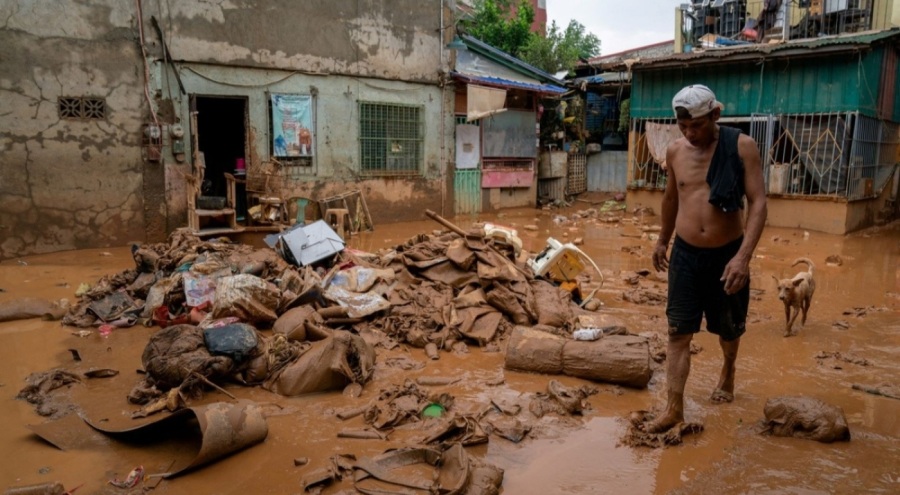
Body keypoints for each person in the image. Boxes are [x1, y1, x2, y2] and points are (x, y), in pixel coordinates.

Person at [643, 84, 767, 433]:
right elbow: (671, 198)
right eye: (682, 126)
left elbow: (758, 202)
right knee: (678, 332)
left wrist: (743, 258)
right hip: (685, 256)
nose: (689, 132)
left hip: (728, 256)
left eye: (695, 125)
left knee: (728, 329)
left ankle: (728, 371)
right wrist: (661, 241)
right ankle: (673, 409)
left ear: (715, 115)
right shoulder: (675, 152)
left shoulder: (741, 147)